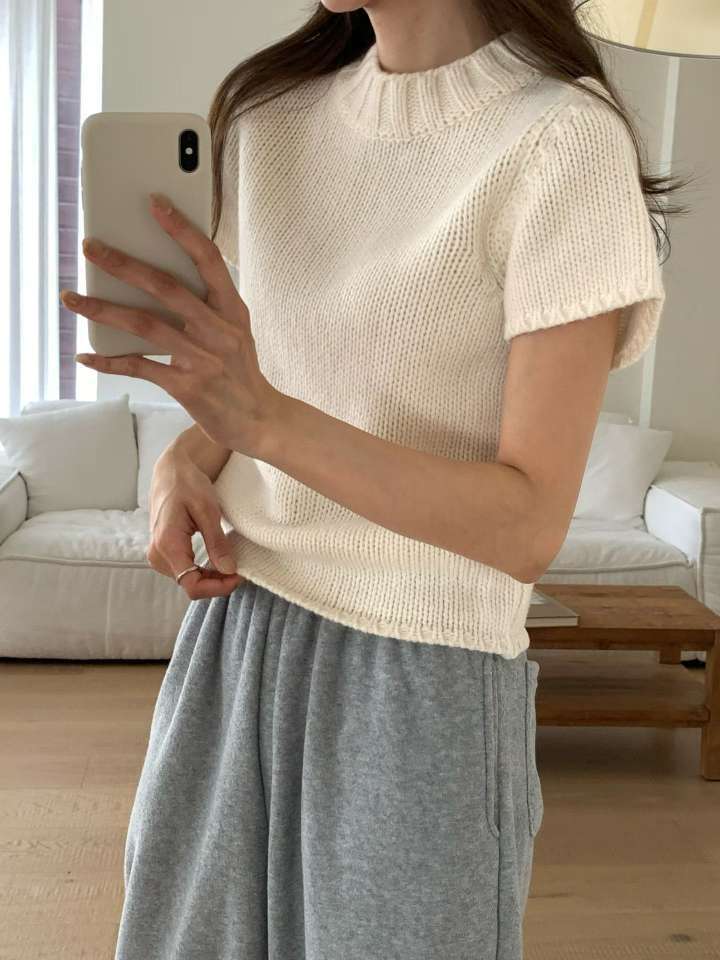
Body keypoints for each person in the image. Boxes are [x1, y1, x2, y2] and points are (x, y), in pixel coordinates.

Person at [72, 1, 685, 958]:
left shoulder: (562, 143)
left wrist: (260, 421)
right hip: (237, 636)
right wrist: (186, 457)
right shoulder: (269, 119)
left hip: (422, 675)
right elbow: (284, 390)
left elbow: (527, 523)